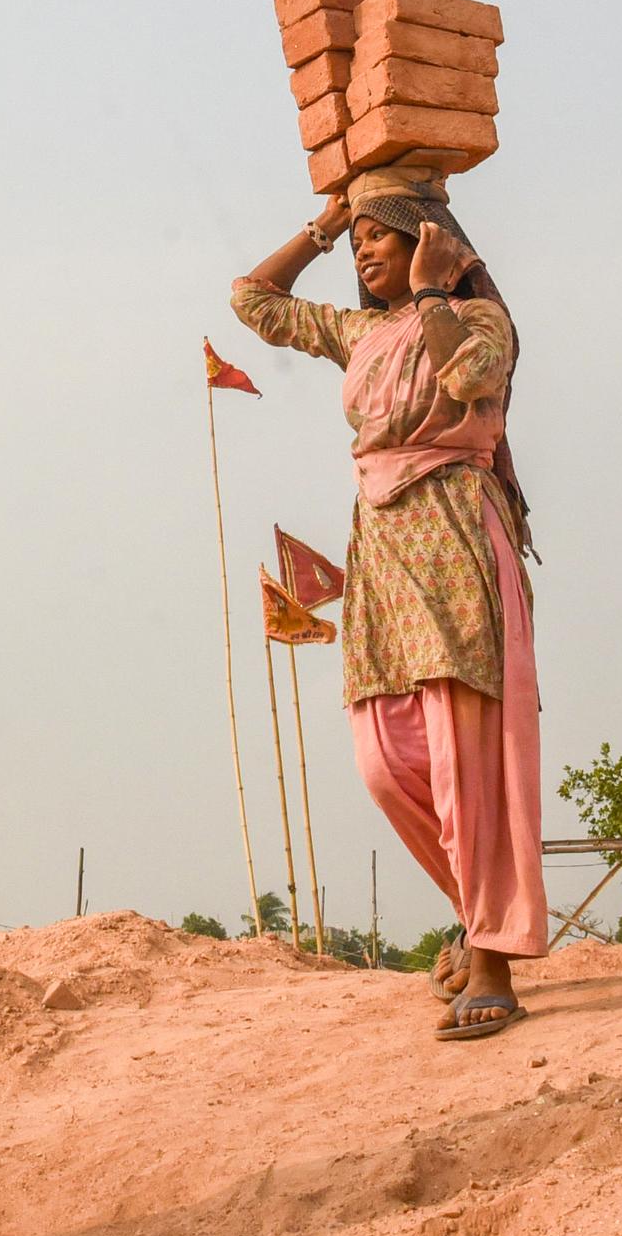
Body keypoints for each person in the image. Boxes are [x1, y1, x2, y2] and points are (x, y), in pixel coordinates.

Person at [231, 164, 544, 1042]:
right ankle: (478, 917)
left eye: (381, 233)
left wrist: (436, 289)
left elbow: (470, 379)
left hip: (453, 528)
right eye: (361, 239)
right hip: (381, 542)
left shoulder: (480, 319)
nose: (365, 250)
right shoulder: (360, 332)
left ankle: (493, 962)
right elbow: (254, 301)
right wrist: (328, 223)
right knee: (385, 760)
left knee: (461, 754)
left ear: (426, 239)